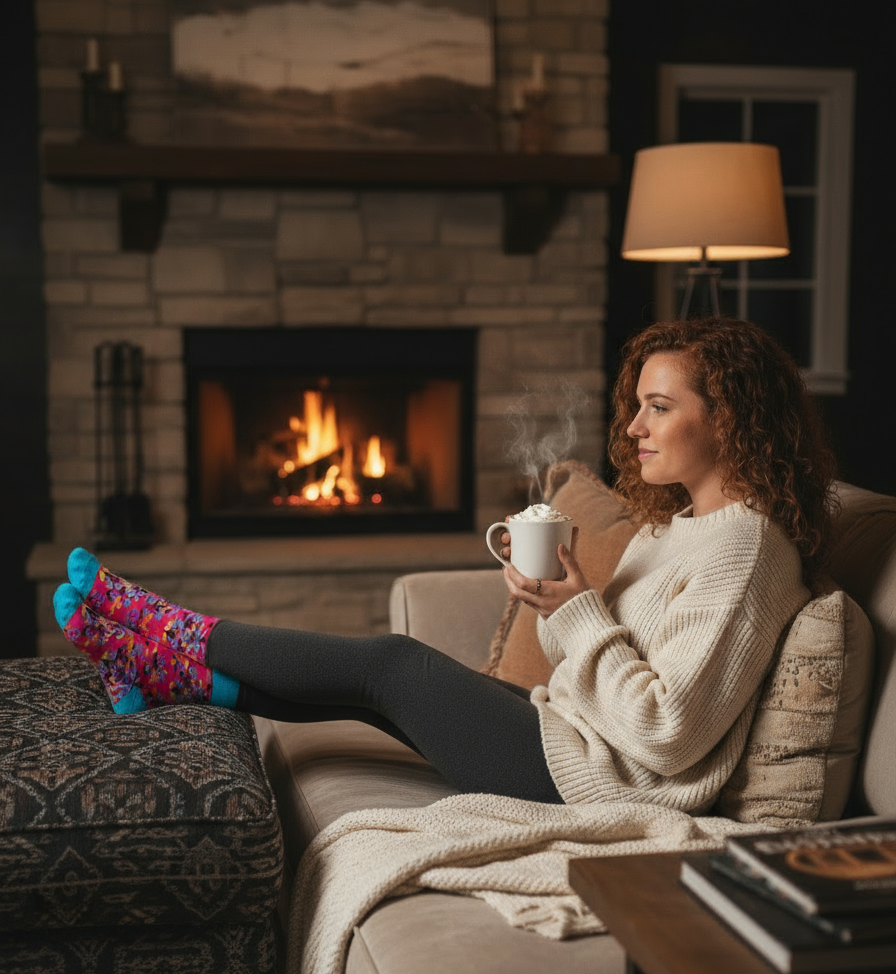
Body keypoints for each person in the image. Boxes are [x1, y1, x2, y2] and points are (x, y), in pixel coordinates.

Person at [53, 316, 837, 814]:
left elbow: (665, 735)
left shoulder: (746, 548)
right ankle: (151, 664)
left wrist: (575, 611)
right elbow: (603, 663)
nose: (632, 426)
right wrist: (553, 604)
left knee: (393, 667)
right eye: (637, 405)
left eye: (658, 407)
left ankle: (158, 626)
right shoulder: (679, 527)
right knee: (376, 701)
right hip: (567, 732)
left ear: (730, 418)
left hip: (600, 781)